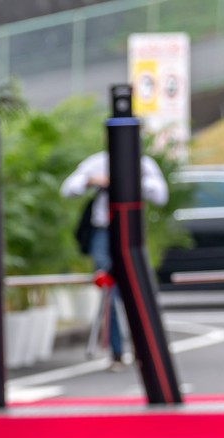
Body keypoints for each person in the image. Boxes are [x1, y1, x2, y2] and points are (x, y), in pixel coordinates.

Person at [61, 150, 169, 371]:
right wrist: (93, 180)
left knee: (135, 290)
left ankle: (144, 348)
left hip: (131, 233)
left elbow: (160, 195)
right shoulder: (98, 161)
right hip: (102, 233)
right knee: (108, 291)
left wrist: (132, 180)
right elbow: (68, 189)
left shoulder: (143, 163)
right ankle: (116, 352)